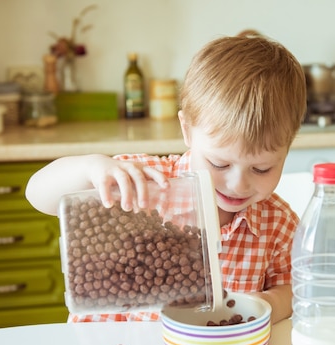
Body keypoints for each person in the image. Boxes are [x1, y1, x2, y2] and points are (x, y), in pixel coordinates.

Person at [26, 34, 307, 325]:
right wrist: (90, 168)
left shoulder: (279, 223)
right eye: (219, 163)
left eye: (261, 169)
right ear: (186, 130)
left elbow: (296, 289)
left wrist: (272, 302)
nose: (238, 184)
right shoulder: (140, 182)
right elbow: (37, 194)